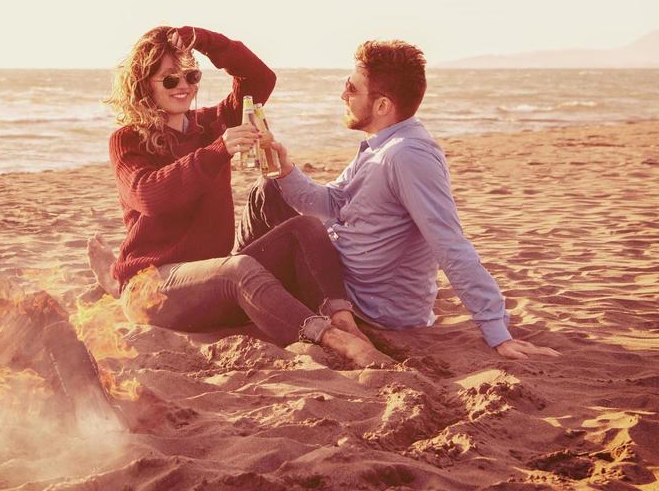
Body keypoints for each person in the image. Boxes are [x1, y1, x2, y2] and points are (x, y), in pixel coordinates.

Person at [100, 25, 391, 368]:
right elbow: (149, 194)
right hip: (151, 287)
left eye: (191, 76)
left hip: (209, 283)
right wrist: (218, 150)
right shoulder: (127, 140)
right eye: (169, 80)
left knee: (306, 228)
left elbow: (259, 79)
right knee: (238, 267)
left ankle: (344, 321)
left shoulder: (209, 123)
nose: (184, 87)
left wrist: (204, 40)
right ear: (144, 84)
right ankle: (330, 338)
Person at [255, 40, 559, 363]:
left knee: (244, 271)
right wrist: (285, 168)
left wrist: (497, 332)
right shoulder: (381, 147)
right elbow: (329, 203)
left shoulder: (407, 156)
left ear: (383, 105)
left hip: (370, 309)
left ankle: (231, 279)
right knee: (269, 187)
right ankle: (232, 277)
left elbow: (449, 242)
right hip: (343, 281)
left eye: (351, 88)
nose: (343, 96)